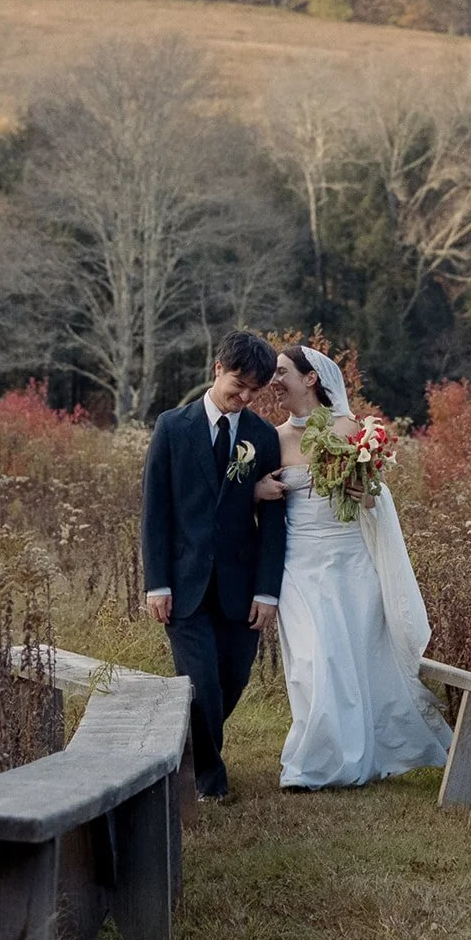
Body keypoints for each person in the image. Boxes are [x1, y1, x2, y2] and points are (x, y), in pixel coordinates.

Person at [254, 344, 451, 789]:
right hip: (298, 563)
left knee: (356, 657)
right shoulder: (274, 438)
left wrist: (368, 494)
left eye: (281, 371)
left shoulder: (354, 431)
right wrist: (254, 491)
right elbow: (263, 500)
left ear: (310, 378)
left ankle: (361, 750)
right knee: (312, 658)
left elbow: (376, 496)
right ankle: (314, 761)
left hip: (350, 559)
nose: (273, 380)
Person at [141, 330, 286, 802]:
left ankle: (175, 753)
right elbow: (155, 512)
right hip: (183, 585)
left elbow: (274, 522)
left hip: (241, 588)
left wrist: (267, 593)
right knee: (202, 684)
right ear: (217, 369)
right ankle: (210, 781)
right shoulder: (171, 427)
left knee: (230, 682)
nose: (243, 398)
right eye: (237, 385)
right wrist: (156, 583)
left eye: (253, 392)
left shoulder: (262, 437)